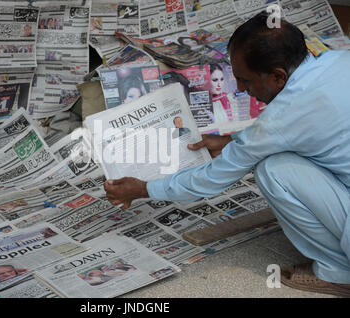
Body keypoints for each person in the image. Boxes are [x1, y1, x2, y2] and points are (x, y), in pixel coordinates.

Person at [103, 12, 350, 297]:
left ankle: (339, 272)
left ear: (278, 76)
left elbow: (213, 178)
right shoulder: (339, 60)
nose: (242, 89)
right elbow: (301, 129)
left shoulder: (283, 119)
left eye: (245, 80)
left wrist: (145, 188)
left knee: (272, 170)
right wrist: (233, 139)